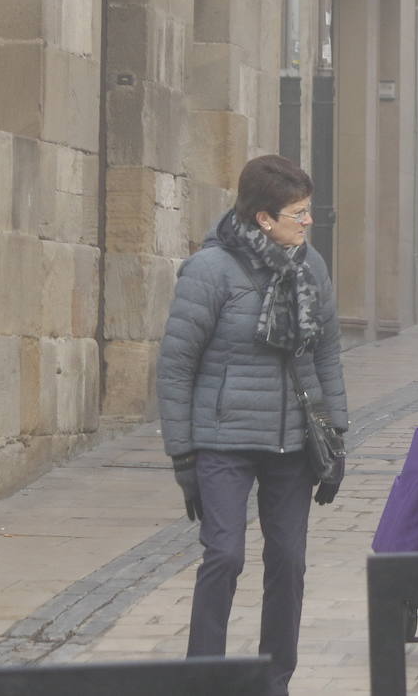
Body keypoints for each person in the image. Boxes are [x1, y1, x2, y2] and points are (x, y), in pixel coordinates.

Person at [156, 154, 348, 696]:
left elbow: (327, 353)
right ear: (264, 217)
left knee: (288, 561)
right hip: (223, 439)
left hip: (291, 440)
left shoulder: (310, 267)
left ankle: (274, 678)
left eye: (308, 210)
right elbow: (175, 365)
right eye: (298, 212)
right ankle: (203, 677)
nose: (308, 221)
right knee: (224, 555)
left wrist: (337, 434)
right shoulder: (211, 271)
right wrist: (183, 455)